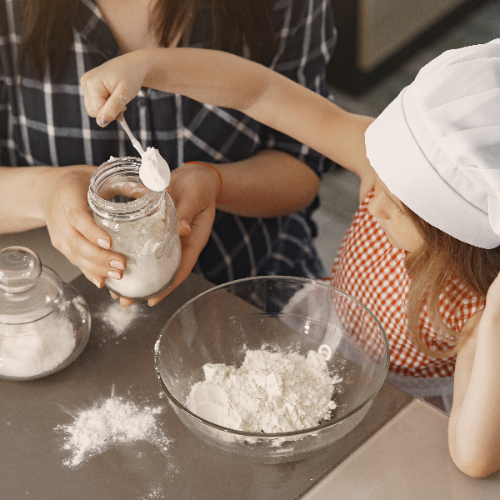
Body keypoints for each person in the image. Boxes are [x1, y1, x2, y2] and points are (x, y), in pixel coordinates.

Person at [80, 40, 500, 477]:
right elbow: (259, 91)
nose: (374, 201)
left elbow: (474, 458)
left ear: (453, 233)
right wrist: (150, 66)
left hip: (394, 409)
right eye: (380, 177)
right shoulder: (386, 172)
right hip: (321, 333)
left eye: (397, 207)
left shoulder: (480, 305)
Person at [0, 0, 338, 306]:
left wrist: (215, 182)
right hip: (57, 304)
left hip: (253, 291)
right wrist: (46, 192)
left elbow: (304, 160)